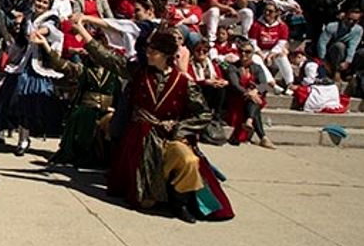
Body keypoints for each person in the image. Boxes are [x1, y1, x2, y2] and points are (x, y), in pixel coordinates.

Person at [87, 28, 234, 222]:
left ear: (166, 56)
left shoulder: (183, 82)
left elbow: (204, 113)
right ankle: (155, 194)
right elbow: (109, 59)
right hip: (140, 138)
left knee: (189, 161)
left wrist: (179, 128)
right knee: (144, 201)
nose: (148, 54)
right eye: (148, 50)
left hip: (169, 136)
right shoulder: (139, 72)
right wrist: (83, 32)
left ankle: (179, 203)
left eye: (153, 51)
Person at [33, 20, 120, 169]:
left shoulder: (114, 71)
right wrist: (45, 45)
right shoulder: (83, 70)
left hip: (107, 110)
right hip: (87, 108)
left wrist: (115, 108)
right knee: (84, 117)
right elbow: (62, 65)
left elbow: (118, 93)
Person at [0, 0, 65, 155]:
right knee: (13, 99)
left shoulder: (51, 18)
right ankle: (15, 136)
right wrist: (11, 57)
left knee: (32, 102)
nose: (40, 4)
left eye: (44, 3)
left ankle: (25, 138)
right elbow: (20, 42)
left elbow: (52, 30)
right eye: (39, 1)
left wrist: (39, 33)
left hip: (39, 67)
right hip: (23, 64)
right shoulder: (27, 18)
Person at [223, 40, 275, 148]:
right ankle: (262, 137)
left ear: (252, 53)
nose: (243, 54)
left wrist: (255, 91)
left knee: (253, 100)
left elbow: (264, 84)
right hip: (237, 98)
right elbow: (235, 85)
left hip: (252, 97)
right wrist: (250, 93)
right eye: (241, 51)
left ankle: (250, 121)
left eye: (247, 52)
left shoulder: (257, 67)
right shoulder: (232, 67)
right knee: (254, 101)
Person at [316, 7, 362, 83]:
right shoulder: (332, 26)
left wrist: (347, 61)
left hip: (345, 54)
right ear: (344, 17)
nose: (351, 22)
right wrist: (323, 60)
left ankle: (350, 73)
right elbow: (322, 43)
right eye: (349, 19)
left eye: (354, 21)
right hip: (332, 52)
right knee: (339, 46)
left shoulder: (358, 30)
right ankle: (336, 72)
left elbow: (353, 46)